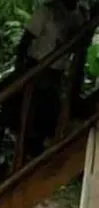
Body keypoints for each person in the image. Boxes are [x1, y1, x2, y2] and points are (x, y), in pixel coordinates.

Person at [8, 0, 88, 159]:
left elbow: (79, 46)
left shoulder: (79, 16)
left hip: (58, 70)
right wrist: (20, 70)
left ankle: (38, 147)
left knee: (47, 112)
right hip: (38, 65)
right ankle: (27, 148)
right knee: (31, 110)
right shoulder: (47, 10)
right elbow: (26, 40)